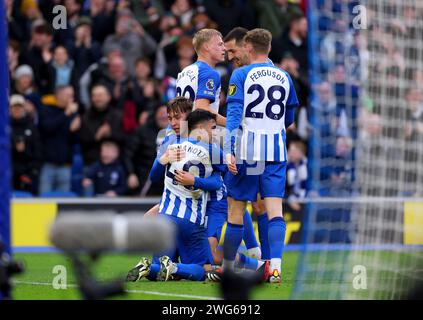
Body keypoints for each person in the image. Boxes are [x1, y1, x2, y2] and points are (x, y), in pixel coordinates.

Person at [223, 28, 299, 283]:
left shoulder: (241, 74)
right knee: (274, 209)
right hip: (276, 152)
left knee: (236, 210)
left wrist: (228, 149)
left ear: (249, 48)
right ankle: (274, 267)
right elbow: (289, 118)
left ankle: (227, 267)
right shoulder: (285, 77)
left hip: (247, 151)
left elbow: (234, 115)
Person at [127, 106, 226, 282]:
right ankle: (173, 266)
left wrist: (161, 161)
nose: (215, 133)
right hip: (191, 220)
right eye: (213, 128)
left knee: (162, 272)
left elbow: (153, 176)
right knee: (203, 269)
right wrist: (195, 181)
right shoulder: (212, 150)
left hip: (165, 217)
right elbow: (218, 183)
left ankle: (148, 267)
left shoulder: (172, 146)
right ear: (202, 129)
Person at [175, 28, 226, 126]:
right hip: (198, 134)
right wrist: (233, 124)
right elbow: (202, 108)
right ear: (206, 46)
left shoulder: (184, 71)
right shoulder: (209, 72)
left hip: (183, 131)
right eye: (220, 44)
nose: (224, 48)